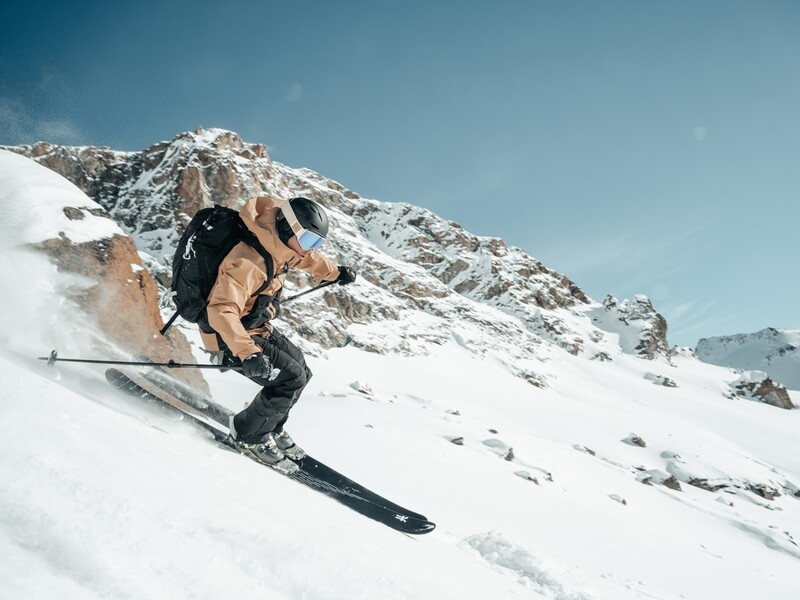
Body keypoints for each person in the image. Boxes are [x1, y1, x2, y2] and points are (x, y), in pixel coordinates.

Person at [198, 196, 356, 473]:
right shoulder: (248, 260)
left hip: (255, 328)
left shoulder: (279, 245)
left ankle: (271, 425)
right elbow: (221, 310)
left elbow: (308, 260)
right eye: (308, 241)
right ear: (287, 227)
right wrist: (249, 354)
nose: (310, 250)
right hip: (230, 338)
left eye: (316, 243)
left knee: (302, 371)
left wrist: (334, 273)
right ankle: (248, 434)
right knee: (290, 378)